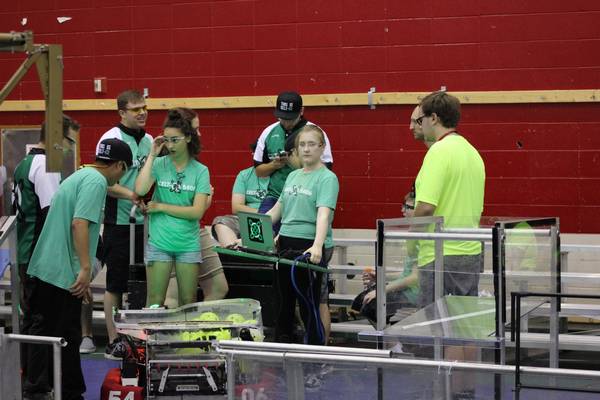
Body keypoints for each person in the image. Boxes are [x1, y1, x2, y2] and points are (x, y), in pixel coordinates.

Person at [23, 138, 132, 400]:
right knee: (52, 332)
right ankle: (38, 389)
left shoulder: (82, 175)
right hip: (57, 271)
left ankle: (69, 390)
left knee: (66, 332)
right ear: (118, 166)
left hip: (53, 268)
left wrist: (78, 274)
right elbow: (79, 224)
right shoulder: (96, 182)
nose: (120, 178)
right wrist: (85, 269)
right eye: (124, 172)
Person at [413, 91, 485, 400]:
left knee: (446, 329)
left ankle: (449, 393)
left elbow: (425, 207)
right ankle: (465, 392)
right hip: (471, 251)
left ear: (433, 118)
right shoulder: (471, 152)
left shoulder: (439, 153)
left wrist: (411, 233)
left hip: (443, 253)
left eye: (421, 119)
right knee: (465, 328)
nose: (420, 126)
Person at [13, 115, 79, 370]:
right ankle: (36, 384)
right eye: (68, 141)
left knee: (32, 318)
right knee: (41, 320)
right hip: (38, 256)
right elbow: (52, 217)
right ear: (55, 138)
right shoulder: (44, 165)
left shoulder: (24, 163)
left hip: (26, 251)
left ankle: (31, 376)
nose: (71, 147)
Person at [266, 124, 339, 346]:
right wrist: (249, 236)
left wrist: (317, 246)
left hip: (308, 246)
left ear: (321, 147)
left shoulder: (327, 178)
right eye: (302, 145)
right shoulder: (293, 176)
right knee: (283, 305)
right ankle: (283, 351)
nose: (306, 149)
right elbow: (275, 211)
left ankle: (316, 355)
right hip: (285, 242)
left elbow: (323, 215)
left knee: (309, 305)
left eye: (311, 144)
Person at [135, 109, 211, 307]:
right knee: (154, 301)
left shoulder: (201, 171)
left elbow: (197, 212)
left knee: (188, 301)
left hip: (187, 244)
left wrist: (161, 206)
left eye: (175, 140)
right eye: (166, 140)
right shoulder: (159, 164)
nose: (170, 145)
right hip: (160, 242)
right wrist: (152, 155)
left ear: (187, 138)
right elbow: (141, 188)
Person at [97, 89, 153, 359]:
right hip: (118, 222)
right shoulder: (111, 139)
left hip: (145, 223)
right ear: (121, 113)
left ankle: (137, 337)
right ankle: (112, 340)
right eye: (135, 109)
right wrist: (131, 195)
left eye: (144, 107)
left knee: (142, 282)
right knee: (115, 284)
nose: (142, 112)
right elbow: (104, 183)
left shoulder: (150, 141)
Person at [163, 107, 228, 306]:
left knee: (218, 287)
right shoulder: (165, 163)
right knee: (174, 297)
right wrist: (206, 199)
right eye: (196, 129)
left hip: (195, 231)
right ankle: (172, 335)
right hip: (172, 233)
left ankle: (193, 329)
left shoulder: (193, 164)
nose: (200, 134)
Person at [254, 91, 333, 230]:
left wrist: (296, 163)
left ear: (301, 111)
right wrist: (275, 165)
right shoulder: (269, 132)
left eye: (290, 118)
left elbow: (325, 170)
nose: (286, 122)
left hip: (306, 197)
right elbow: (259, 171)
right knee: (260, 235)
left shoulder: (315, 133)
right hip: (275, 195)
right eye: (282, 118)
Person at [352, 192, 419, 325]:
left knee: (371, 305)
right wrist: (380, 277)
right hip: (406, 289)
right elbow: (406, 273)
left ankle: (392, 342)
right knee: (360, 301)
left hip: (413, 294)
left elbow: (414, 277)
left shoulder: (421, 237)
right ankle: (390, 340)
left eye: (407, 207)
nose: (402, 210)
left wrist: (381, 290)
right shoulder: (412, 234)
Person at [211, 143, 270, 247]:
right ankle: (235, 252)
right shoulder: (244, 175)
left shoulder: (282, 176)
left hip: (272, 221)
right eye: (258, 153)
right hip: (248, 218)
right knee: (221, 222)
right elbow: (236, 207)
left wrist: (268, 216)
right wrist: (261, 213)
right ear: (253, 155)